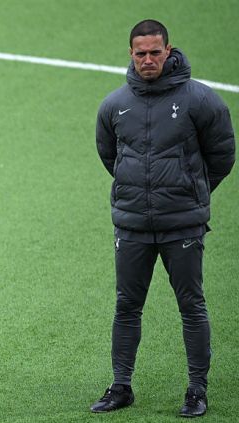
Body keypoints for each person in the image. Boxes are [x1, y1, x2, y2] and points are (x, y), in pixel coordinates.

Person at [92, 19, 234, 417]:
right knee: (126, 306)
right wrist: (139, 193)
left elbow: (222, 155)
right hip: (132, 225)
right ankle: (121, 386)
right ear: (131, 54)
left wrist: (190, 190)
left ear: (168, 51)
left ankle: (197, 390)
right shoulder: (114, 105)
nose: (148, 60)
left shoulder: (201, 100)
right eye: (141, 53)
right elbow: (110, 156)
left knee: (191, 306)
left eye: (156, 52)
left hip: (182, 225)